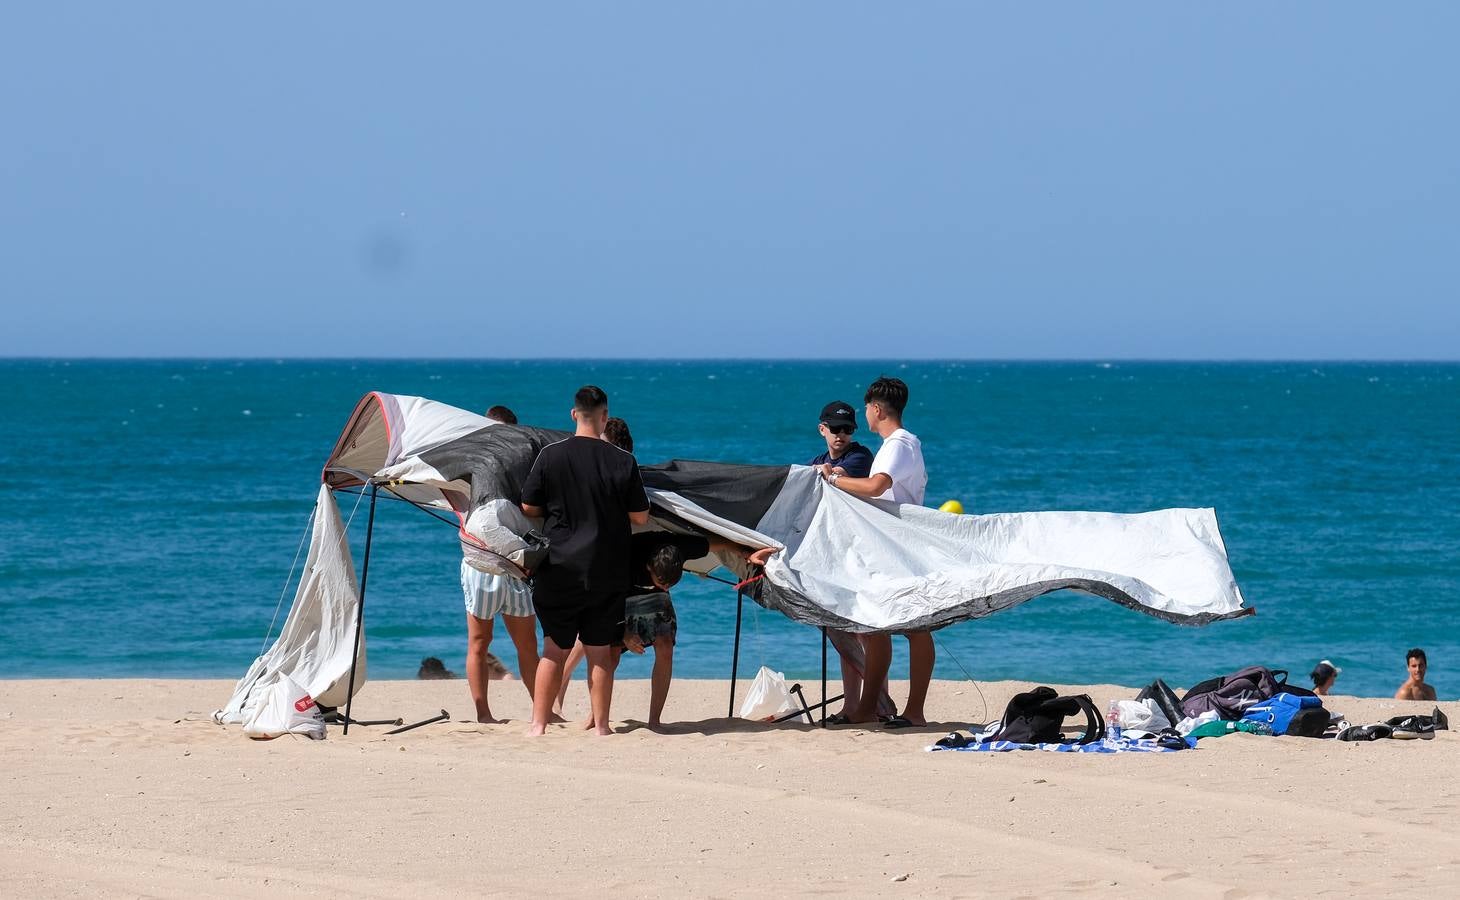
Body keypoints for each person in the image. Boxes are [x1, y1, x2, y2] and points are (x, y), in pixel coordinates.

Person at [520, 385, 650, 736]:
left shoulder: (550, 455)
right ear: (605, 417)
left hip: (560, 565)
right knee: (599, 652)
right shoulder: (624, 461)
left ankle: (538, 724)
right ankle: (603, 727)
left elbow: (529, 507)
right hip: (606, 568)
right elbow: (640, 517)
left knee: (553, 648)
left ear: (574, 414)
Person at [562, 530, 775, 728]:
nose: (668, 587)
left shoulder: (679, 549)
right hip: (620, 594)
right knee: (611, 654)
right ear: (648, 568)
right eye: (663, 582)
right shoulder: (625, 558)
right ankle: (595, 716)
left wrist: (747, 554)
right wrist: (624, 633)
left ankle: (654, 721)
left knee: (665, 648)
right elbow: (606, 603)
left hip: (653, 597)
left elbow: (720, 543)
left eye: (671, 585)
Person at [818, 376, 933, 727]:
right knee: (875, 627)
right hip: (889, 547)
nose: (863, 414)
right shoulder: (897, 444)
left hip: (900, 548)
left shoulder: (898, 444)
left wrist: (832, 479)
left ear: (877, 409)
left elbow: (876, 486)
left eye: (866, 408)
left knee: (915, 628)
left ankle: (913, 712)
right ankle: (868, 707)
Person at [459, 404, 541, 723]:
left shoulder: (524, 459)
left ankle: (541, 710)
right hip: (480, 563)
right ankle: (483, 714)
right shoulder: (471, 458)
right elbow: (450, 493)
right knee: (479, 641)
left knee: (527, 644)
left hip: (516, 563)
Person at [806, 400, 880, 721]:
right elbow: (806, 482)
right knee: (843, 631)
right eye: (835, 429)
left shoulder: (859, 455)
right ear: (822, 429)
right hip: (835, 557)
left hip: (862, 554)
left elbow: (838, 476)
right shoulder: (817, 460)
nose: (841, 435)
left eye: (847, 429)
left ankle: (877, 703)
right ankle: (852, 706)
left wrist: (826, 474)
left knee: (869, 634)